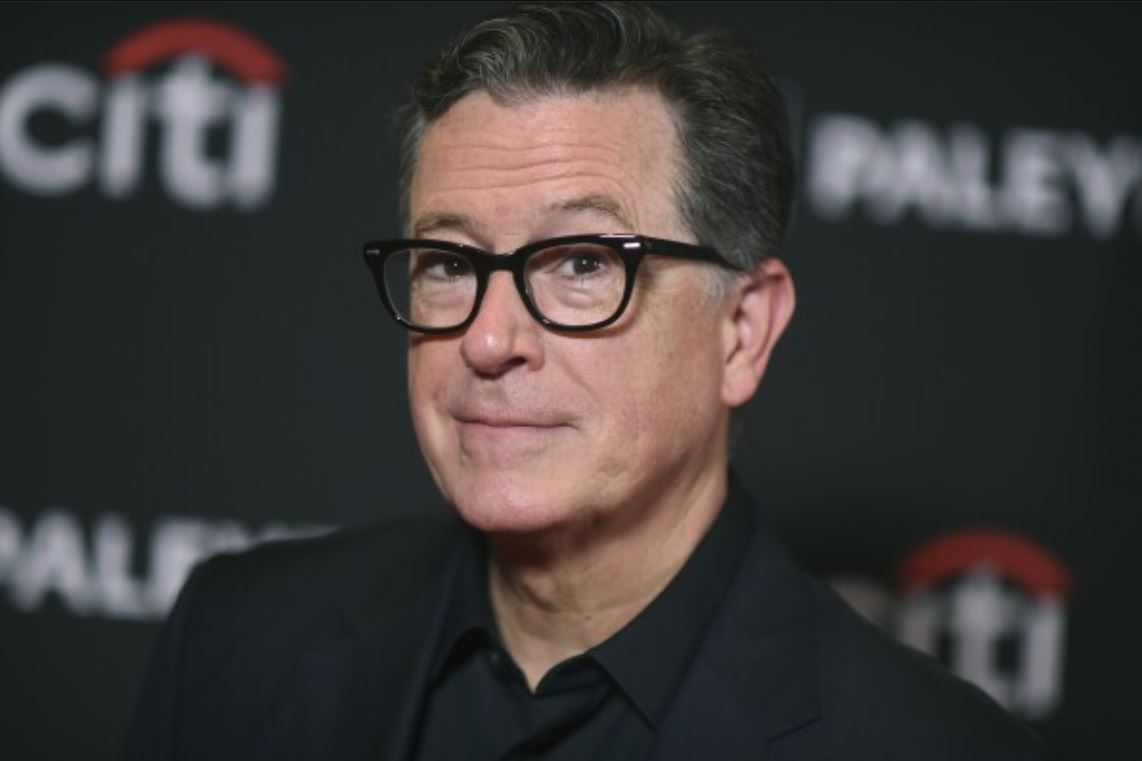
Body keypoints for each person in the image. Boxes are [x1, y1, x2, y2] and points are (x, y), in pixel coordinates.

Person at [126, 3, 1055, 759]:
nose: (489, 339)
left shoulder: (926, 745)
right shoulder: (236, 642)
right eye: (447, 262)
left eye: (581, 263)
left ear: (742, 331)